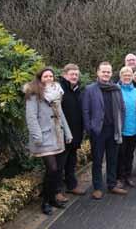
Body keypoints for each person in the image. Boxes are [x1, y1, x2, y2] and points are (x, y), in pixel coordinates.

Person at [25, 67, 73, 215]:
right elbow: (31, 117)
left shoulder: (56, 92)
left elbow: (60, 114)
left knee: (57, 170)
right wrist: (37, 136)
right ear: (40, 78)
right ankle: (45, 201)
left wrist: (68, 132)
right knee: (52, 168)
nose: (49, 78)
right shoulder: (33, 94)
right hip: (43, 138)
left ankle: (52, 198)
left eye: (51, 76)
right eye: (45, 76)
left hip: (57, 136)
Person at [82, 61, 127, 200]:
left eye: (108, 71)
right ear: (98, 72)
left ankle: (112, 185)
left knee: (112, 159)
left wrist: (121, 125)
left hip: (114, 130)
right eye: (103, 71)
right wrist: (90, 129)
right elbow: (85, 110)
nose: (106, 74)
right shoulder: (90, 89)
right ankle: (97, 188)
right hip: (98, 131)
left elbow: (122, 108)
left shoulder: (116, 89)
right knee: (97, 160)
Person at [56, 63, 85, 202]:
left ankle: (71, 185)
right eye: (71, 74)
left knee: (71, 162)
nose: (74, 77)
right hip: (62, 134)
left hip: (75, 133)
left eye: (76, 74)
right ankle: (56, 191)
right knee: (59, 164)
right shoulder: (59, 89)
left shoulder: (77, 90)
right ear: (64, 75)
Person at [116, 66, 136, 187]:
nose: (127, 77)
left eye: (129, 75)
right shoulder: (116, 90)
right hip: (121, 130)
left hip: (134, 129)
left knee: (130, 155)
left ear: (132, 77)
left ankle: (128, 176)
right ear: (120, 76)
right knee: (120, 155)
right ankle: (120, 178)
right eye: (124, 75)